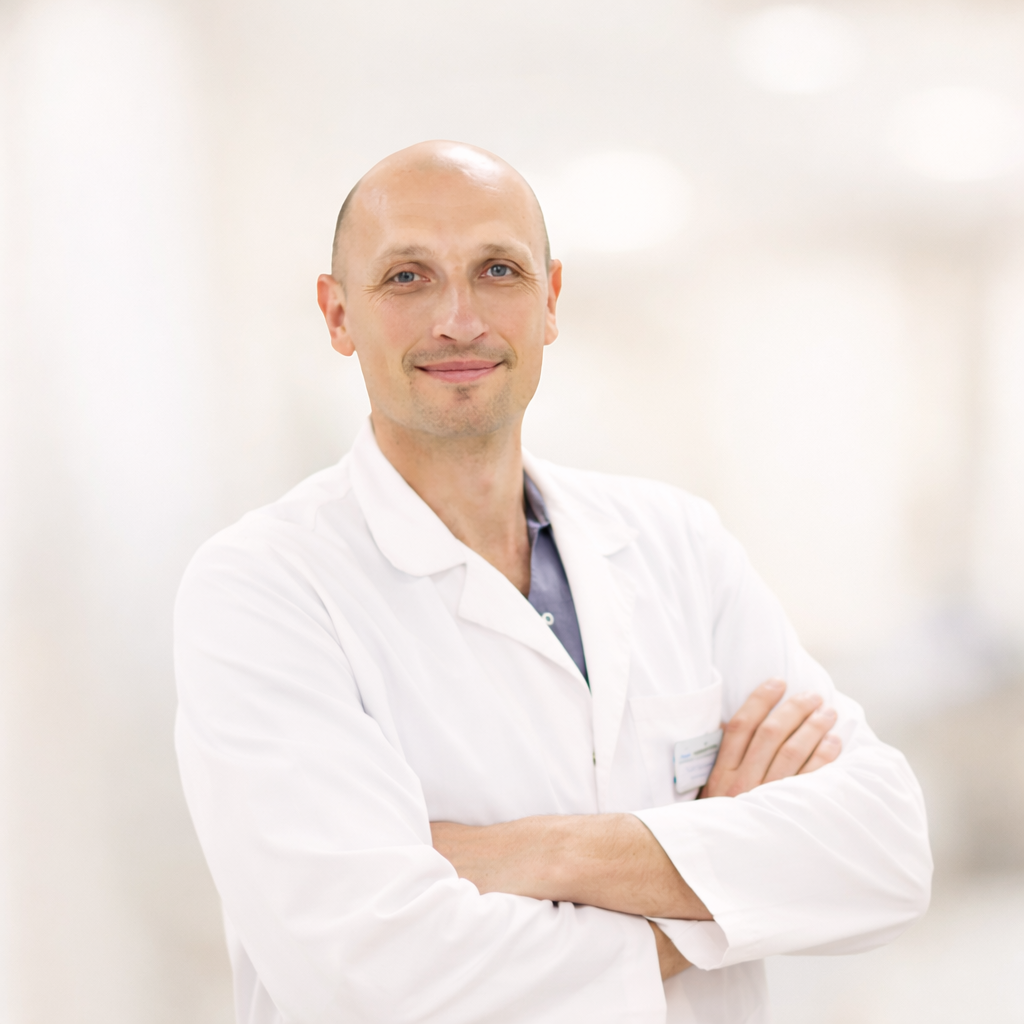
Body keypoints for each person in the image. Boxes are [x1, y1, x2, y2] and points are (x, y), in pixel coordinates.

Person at [174, 141, 932, 1024]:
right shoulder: (262, 588)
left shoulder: (676, 542)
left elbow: (886, 850)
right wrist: (723, 882)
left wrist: (536, 854)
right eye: (408, 277)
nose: (459, 319)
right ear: (338, 314)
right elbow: (380, 977)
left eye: (498, 270)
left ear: (551, 302)